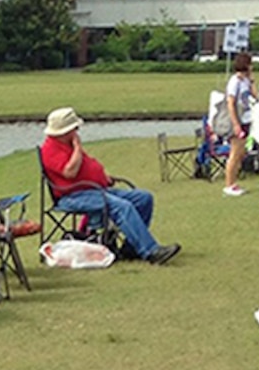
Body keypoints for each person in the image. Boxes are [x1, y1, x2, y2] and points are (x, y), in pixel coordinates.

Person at [39, 107, 180, 262]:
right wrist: (78, 147)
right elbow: (70, 172)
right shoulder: (50, 149)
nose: (78, 130)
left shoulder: (67, 144)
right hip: (72, 196)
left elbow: (84, 167)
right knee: (121, 206)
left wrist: (103, 177)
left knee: (144, 198)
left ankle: (131, 249)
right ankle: (151, 251)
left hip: (94, 189)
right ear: (65, 132)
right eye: (75, 128)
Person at [223, 52, 254, 196]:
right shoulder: (234, 81)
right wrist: (235, 124)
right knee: (235, 153)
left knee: (241, 153)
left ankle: (234, 182)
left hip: (247, 118)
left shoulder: (245, 81)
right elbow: (230, 103)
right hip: (238, 120)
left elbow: (254, 95)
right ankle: (229, 184)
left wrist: (251, 80)